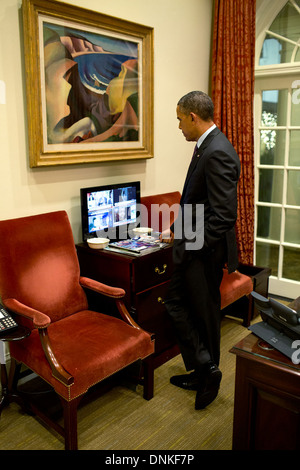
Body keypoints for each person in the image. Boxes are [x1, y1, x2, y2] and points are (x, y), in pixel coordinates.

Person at [160, 91, 241, 409]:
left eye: (180, 119)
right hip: (193, 242)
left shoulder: (217, 150)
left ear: (193, 117)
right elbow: (199, 202)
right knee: (179, 304)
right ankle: (204, 368)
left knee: (202, 311)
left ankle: (207, 373)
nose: (178, 125)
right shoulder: (207, 145)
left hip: (203, 251)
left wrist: (194, 247)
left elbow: (222, 215)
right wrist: (176, 230)